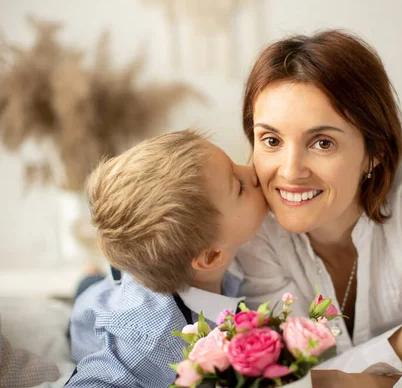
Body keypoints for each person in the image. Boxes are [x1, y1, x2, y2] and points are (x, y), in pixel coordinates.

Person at [236, 30, 402, 388]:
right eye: (271, 140)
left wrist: (343, 376)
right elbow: (290, 378)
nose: (290, 170)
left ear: (374, 152)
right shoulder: (252, 227)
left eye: (322, 142)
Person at [65, 130, 267, 387]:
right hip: (93, 315)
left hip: (135, 279)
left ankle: (94, 276)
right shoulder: (152, 344)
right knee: (90, 292)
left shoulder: (211, 254)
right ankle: (88, 279)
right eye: (239, 186)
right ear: (211, 256)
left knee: (114, 276)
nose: (253, 170)